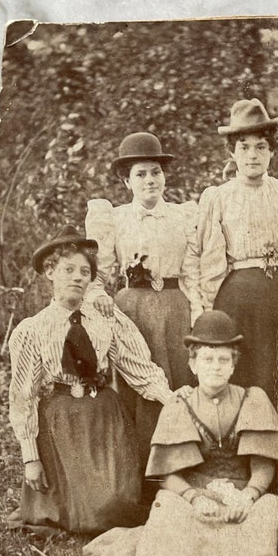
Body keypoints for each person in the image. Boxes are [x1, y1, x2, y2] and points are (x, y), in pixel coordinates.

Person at [82, 311, 278, 556]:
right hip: (195, 499)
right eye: (207, 359)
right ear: (193, 364)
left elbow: (264, 465)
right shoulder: (179, 404)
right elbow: (169, 476)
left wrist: (249, 496)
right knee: (167, 505)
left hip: (240, 498)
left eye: (223, 360)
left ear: (233, 365)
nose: (215, 367)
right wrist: (194, 498)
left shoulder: (253, 399)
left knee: (270, 509)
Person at [8, 228, 175, 535]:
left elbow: (137, 367)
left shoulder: (105, 319)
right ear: (50, 272)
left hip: (104, 419)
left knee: (116, 506)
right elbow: (24, 396)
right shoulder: (33, 329)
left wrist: (173, 400)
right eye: (68, 270)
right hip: (61, 424)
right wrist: (30, 459)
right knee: (82, 516)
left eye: (84, 272)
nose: (77, 278)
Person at [196, 99, 278, 419]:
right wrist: (209, 327)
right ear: (232, 152)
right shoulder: (218, 197)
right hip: (237, 301)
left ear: (271, 151)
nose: (252, 155)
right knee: (243, 379)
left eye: (260, 146)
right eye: (243, 147)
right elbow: (211, 266)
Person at [84, 132, 201, 473]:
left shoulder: (183, 216)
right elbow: (98, 274)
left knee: (179, 380)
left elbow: (192, 272)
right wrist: (99, 298)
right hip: (131, 310)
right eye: (140, 174)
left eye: (155, 172)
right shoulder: (114, 218)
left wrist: (198, 311)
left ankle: (183, 470)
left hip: (176, 308)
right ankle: (143, 477)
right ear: (126, 181)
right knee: (139, 387)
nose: (150, 180)